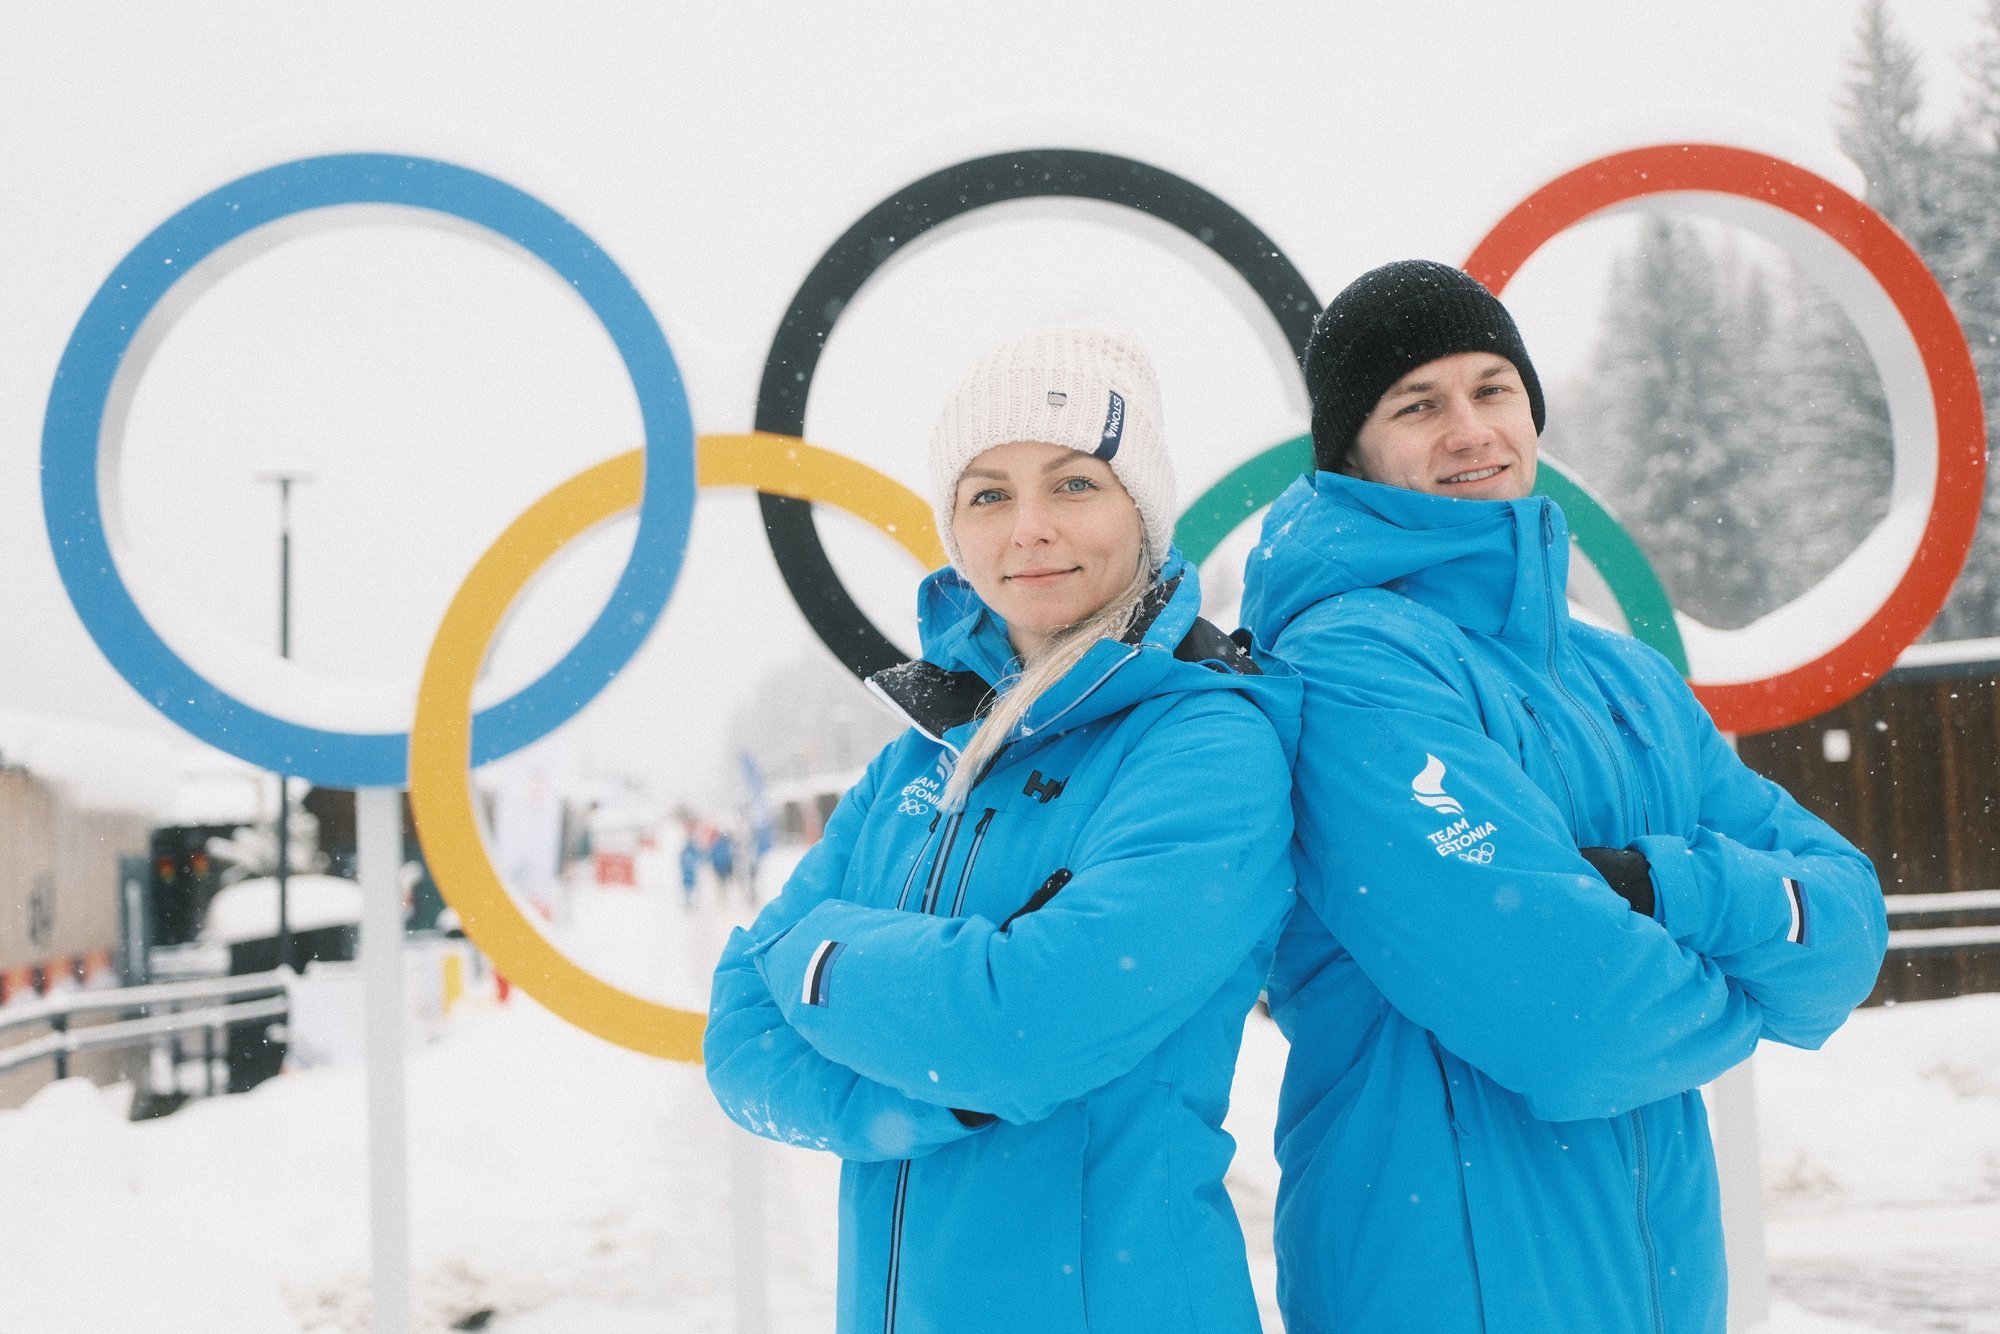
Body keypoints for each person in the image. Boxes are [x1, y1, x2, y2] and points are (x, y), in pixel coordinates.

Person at [1239, 260, 1889, 1333]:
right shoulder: (1346, 664)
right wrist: (1746, 991)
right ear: (1348, 446)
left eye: (1491, 387)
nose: (1469, 429)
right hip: (1441, 1286)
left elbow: (1846, 930)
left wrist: (1667, 887)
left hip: (1658, 1281)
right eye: (1417, 403)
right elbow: (1576, 1021)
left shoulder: (1620, 679)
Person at [706, 327, 1299, 1333]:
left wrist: (814, 958)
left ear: (1140, 508)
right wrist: (941, 1098)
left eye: (1072, 484)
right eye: (987, 493)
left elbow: (1021, 1024)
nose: (1027, 528)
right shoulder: (923, 756)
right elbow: (738, 1039)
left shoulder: (1204, 741)